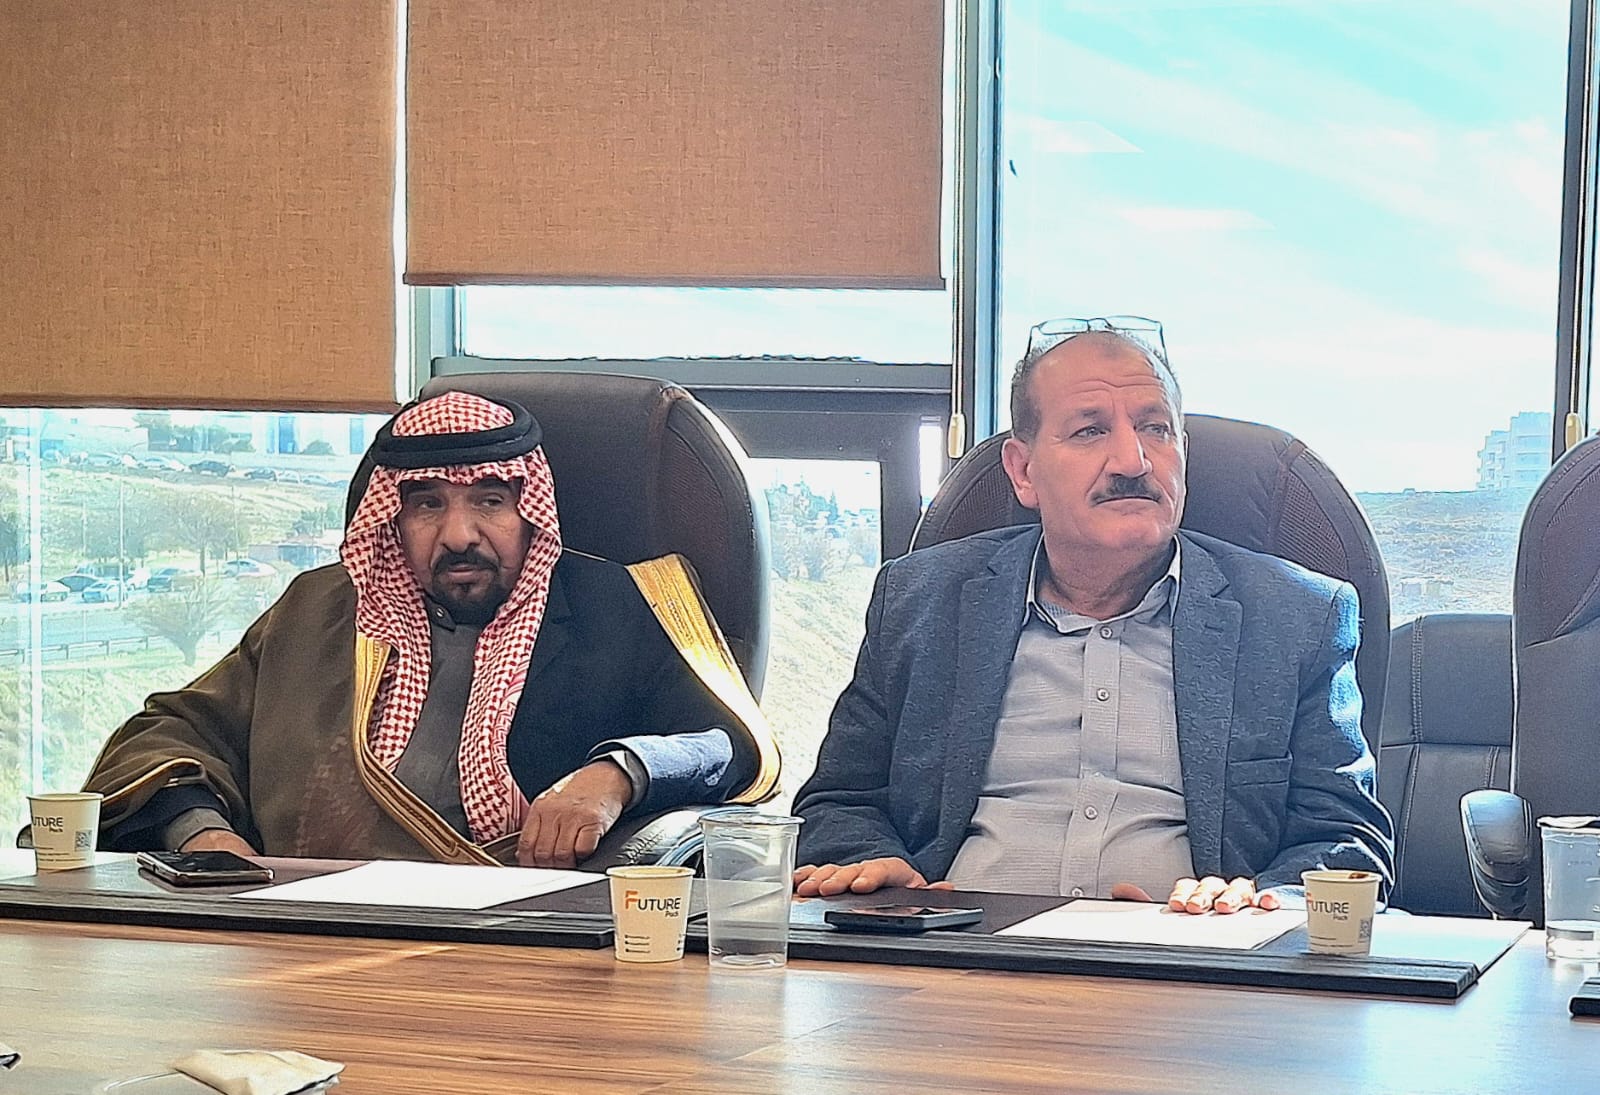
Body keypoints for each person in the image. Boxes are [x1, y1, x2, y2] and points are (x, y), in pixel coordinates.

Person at [793, 320, 1393, 914]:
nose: (1133, 461)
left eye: (1156, 429)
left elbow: (1345, 839)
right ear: (1023, 471)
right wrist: (875, 866)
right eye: (1089, 431)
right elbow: (838, 802)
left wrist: (1259, 902)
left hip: (1185, 958)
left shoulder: (1297, 618)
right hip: (955, 950)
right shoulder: (920, 601)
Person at [78, 391, 780, 867]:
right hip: (297, 928)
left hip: (522, 940)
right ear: (392, 517)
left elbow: (727, 742)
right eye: (427, 505)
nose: (459, 534)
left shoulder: (619, 605)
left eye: (489, 501)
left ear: (529, 508)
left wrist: (615, 775)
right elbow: (173, 731)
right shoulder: (318, 611)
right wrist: (204, 835)